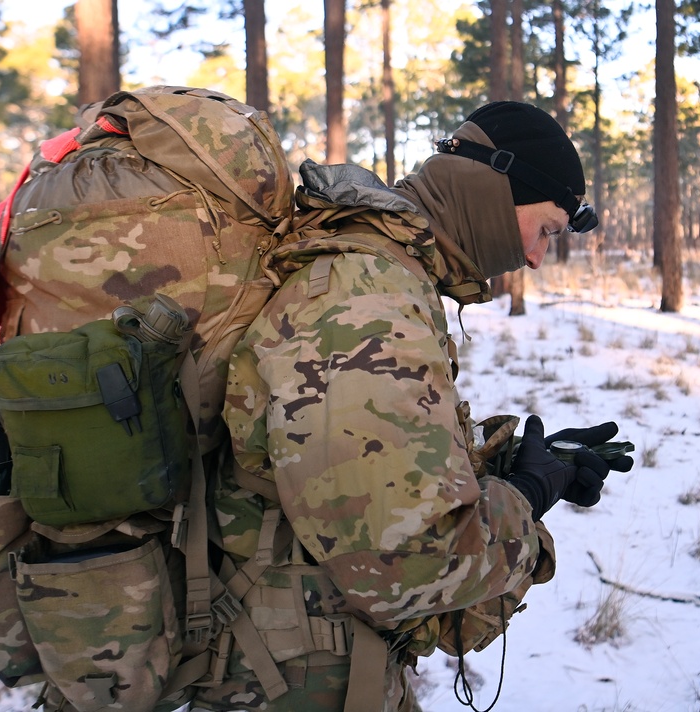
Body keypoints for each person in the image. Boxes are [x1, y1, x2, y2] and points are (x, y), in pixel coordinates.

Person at [200, 101, 633, 712]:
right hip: (294, 681)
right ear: (493, 189)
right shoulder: (369, 298)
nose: (535, 258)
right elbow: (407, 564)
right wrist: (526, 500)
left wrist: (511, 465)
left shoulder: (379, 274)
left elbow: (348, 465)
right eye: (547, 230)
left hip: (306, 662)